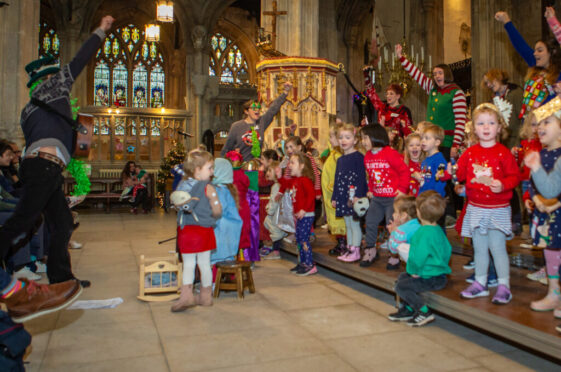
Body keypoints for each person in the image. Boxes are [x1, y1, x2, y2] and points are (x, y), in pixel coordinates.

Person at [0, 15, 115, 287]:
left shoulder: (27, 109)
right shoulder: (55, 87)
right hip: (45, 168)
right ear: (49, 76)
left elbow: (36, 139)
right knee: (23, 221)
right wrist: (100, 31)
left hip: (41, 168)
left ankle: (62, 279)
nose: (64, 78)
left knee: (62, 223)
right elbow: (80, 59)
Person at [457, 103, 519, 305]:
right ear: (474, 128)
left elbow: (514, 177)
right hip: (476, 208)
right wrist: (456, 171)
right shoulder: (470, 152)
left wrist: (503, 184)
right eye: (481, 123)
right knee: (480, 249)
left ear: (499, 127)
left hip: (497, 209)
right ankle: (480, 283)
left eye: (491, 123)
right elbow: (461, 175)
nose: (486, 127)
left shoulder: (503, 153)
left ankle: (504, 286)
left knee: (497, 247)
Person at [519, 97, 561, 316]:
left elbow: (554, 187)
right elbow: (535, 183)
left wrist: (554, 204)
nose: (540, 127)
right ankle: (554, 293)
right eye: (540, 122)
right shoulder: (543, 154)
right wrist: (534, 199)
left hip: (558, 212)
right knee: (551, 251)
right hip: (547, 214)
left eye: (548, 122)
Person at [388, 190, 451, 327]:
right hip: (439, 275)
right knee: (402, 278)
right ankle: (409, 308)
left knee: (401, 286)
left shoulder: (423, 233)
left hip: (429, 277)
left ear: (419, 213)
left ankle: (423, 311)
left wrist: (414, 270)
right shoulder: (438, 229)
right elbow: (448, 249)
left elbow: (418, 257)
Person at [396, 44, 467, 160]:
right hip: (430, 142)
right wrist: (401, 58)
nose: (436, 76)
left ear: (447, 74)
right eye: (434, 74)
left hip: (446, 143)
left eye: (440, 73)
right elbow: (416, 74)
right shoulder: (432, 88)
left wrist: (455, 145)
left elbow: (460, 122)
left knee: (444, 175)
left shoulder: (457, 93)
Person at [172, 150, 222, 312]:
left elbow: (177, 204)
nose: (212, 171)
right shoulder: (209, 188)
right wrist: (212, 218)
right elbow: (217, 210)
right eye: (210, 168)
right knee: (205, 264)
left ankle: (187, 297)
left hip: (189, 231)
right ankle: (206, 297)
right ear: (197, 170)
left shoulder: (183, 185)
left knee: (188, 264)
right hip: (205, 231)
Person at [495, 10, 561, 118]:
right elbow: (520, 45)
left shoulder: (559, 75)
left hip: (548, 124)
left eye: (540, 50)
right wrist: (506, 21)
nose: (535, 54)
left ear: (552, 52)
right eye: (534, 50)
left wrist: (552, 20)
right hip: (528, 124)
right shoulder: (535, 65)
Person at [361, 124, 409, 266]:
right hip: (377, 198)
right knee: (370, 221)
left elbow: (404, 171)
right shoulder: (368, 157)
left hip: (392, 199)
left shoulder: (390, 153)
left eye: (365, 138)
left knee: (392, 225)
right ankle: (370, 249)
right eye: (362, 138)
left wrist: (402, 189)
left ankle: (394, 253)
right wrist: (370, 188)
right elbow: (371, 176)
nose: (363, 142)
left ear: (376, 137)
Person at [221, 81, 293, 162]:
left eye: (259, 107)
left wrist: (285, 92)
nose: (257, 110)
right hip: (240, 166)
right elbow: (227, 148)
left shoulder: (261, 122)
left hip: (256, 165)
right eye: (254, 108)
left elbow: (273, 109)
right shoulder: (237, 126)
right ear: (246, 111)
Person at [331, 123, 368, 263]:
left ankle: (356, 250)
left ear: (355, 140)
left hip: (354, 197)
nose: (343, 140)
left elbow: (361, 178)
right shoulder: (340, 159)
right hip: (343, 196)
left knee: (354, 223)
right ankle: (350, 248)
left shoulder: (358, 157)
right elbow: (337, 179)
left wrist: (358, 196)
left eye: (347, 137)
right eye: (341, 137)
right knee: (347, 224)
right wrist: (335, 197)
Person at [285, 153, 316, 276]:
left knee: (303, 240)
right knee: (299, 238)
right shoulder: (296, 181)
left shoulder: (305, 180)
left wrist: (304, 209)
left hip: (306, 215)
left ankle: (309, 264)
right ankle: (302, 262)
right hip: (299, 215)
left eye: (293, 163)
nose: (289, 165)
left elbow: (311, 196)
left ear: (302, 166)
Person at [210, 158, 243, 266]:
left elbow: (217, 211)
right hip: (229, 236)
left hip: (221, 236)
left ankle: (214, 282)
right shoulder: (226, 189)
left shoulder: (219, 190)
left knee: (214, 261)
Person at [321, 122, 347, 256]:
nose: (329, 140)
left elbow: (341, 174)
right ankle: (340, 243)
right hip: (330, 193)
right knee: (334, 218)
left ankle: (344, 244)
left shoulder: (339, 157)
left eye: (331, 137)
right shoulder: (333, 154)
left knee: (340, 220)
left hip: (335, 192)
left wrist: (334, 186)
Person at [481, 69, 524, 149]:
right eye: (486, 83)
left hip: (516, 140)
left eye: (490, 81)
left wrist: (519, 143)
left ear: (499, 78)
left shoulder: (516, 93)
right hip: (501, 143)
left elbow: (523, 118)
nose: (489, 85)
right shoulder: (492, 99)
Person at [364, 72, 413, 138]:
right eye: (387, 94)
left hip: (398, 144)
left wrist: (404, 127)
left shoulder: (404, 111)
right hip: (383, 140)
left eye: (391, 94)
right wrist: (367, 77)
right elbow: (372, 94)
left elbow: (409, 133)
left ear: (398, 96)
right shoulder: (383, 107)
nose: (388, 96)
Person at [386, 196, 421, 270]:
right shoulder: (418, 223)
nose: (393, 214)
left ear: (404, 215)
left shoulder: (402, 230)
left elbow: (393, 249)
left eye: (395, 212)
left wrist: (393, 232)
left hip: (418, 264)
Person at [418, 124, 451, 200]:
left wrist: (435, 197)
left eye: (427, 138)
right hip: (424, 197)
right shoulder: (426, 160)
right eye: (422, 138)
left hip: (433, 199)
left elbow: (441, 180)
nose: (423, 141)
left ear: (437, 142)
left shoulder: (439, 160)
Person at [262, 161, 287, 260]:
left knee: (275, 231)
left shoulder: (276, 186)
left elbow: (274, 201)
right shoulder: (278, 185)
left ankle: (276, 251)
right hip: (279, 213)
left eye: (270, 170)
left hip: (276, 214)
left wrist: (269, 211)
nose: (267, 173)